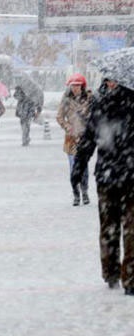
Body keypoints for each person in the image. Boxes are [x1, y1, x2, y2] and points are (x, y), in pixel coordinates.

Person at [72, 78, 134, 296]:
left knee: (112, 227)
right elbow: (89, 137)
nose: (111, 84)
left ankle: (115, 273)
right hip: (122, 174)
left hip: (110, 175)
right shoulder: (108, 104)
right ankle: (123, 275)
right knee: (122, 228)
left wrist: (79, 164)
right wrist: (79, 164)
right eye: (109, 81)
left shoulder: (101, 104)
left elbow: (88, 138)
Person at [56, 73, 92, 206]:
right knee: (73, 167)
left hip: (84, 137)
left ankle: (85, 191)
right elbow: (59, 117)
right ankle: (75, 193)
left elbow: (94, 114)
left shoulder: (89, 99)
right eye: (73, 86)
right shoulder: (66, 99)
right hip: (71, 138)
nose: (75, 88)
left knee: (84, 167)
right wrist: (67, 127)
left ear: (82, 86)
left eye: (78, 85)